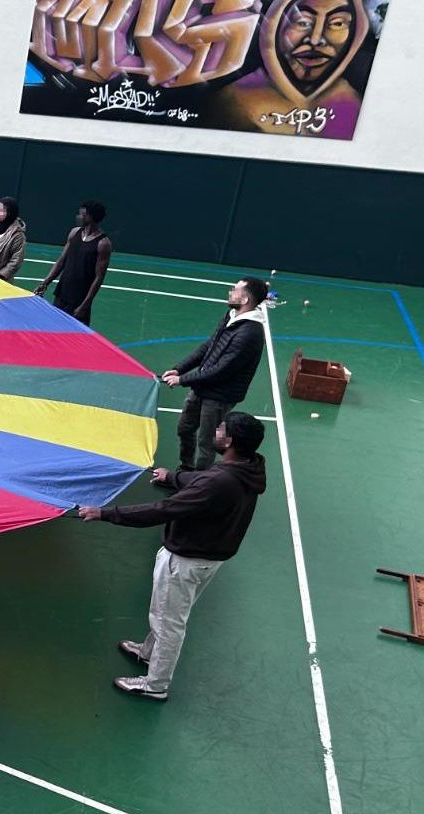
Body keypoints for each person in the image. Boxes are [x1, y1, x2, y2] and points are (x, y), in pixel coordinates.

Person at [78, 413, 268, 701]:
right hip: (209, 557)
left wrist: (105, 513)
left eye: (220, 428)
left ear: (229, 441)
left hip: (186, 561)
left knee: (169, 623)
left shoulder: (219, 482)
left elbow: (162, 510)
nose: (215, 430)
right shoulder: (249, 466)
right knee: (165, 611)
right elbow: (203, 480)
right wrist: (173, 476)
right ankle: (148, 652)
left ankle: (155, 685)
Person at [163, 277, 270, 471]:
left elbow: (221, 370)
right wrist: (179, 368)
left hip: (219, 397)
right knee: (185, 428)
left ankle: (198, 483)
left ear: (245, 300)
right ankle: (186, 469)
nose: (230, 292)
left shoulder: (250, 333)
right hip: (202, 387)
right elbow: (209, 346)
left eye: (235, 290)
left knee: (208, 443)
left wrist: (181, 380)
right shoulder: (231, 316)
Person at [34, 201, 112, 325]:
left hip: (79, 300)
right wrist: (45, 283)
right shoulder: (74, 233)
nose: (78, 217)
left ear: (91, 217)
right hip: (62, 294)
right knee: (54, 330)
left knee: (74, 339)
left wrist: (85, 305)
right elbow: (61, 261)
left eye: (82, 214)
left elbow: (98, 278)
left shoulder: (103, 244)